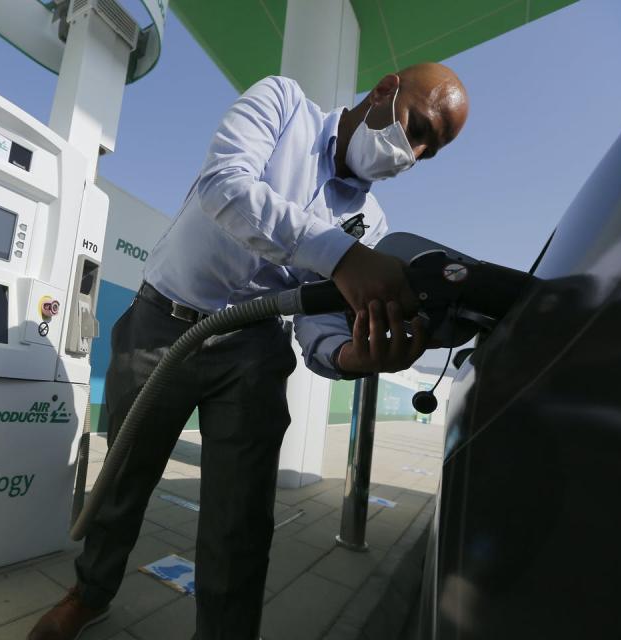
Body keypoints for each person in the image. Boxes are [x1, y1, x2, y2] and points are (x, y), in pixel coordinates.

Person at [28, 62, 469, 640]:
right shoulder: (283, 104)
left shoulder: (370, 221)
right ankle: (90, 594)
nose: (411, 153)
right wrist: (339, 254)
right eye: (417, 127)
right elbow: (224, 188)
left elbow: (319, 327)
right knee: (124, 477)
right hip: (163, 322)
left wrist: (350, 358)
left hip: (255, 350)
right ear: (386, 88)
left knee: (241, 518)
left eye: (427, 151)